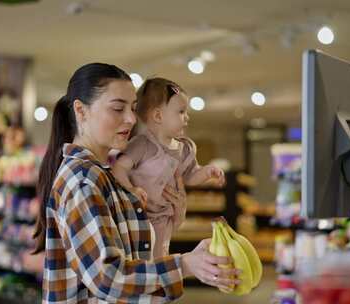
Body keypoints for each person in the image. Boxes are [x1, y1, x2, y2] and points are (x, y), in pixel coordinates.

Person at [33, 63, 239, 303]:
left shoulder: (108, 176)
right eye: (118, 108)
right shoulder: (83, 180)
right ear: (81, 111)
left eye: (132, 108)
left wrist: (174, 218)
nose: (131, 119)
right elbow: (107, 277)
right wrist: (184, 265)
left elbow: (132, 255)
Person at [112, 78, 225, 258]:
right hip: (139, 214)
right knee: (139, 257)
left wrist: (207, 172)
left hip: (164, 217)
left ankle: (159, 281)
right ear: (158, 116)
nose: (187, 117)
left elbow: (190, 177)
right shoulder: (142, 145)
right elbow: (118, 168)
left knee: (160, 255)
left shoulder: (184, 148)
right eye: (181, 111)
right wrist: (131, 189)